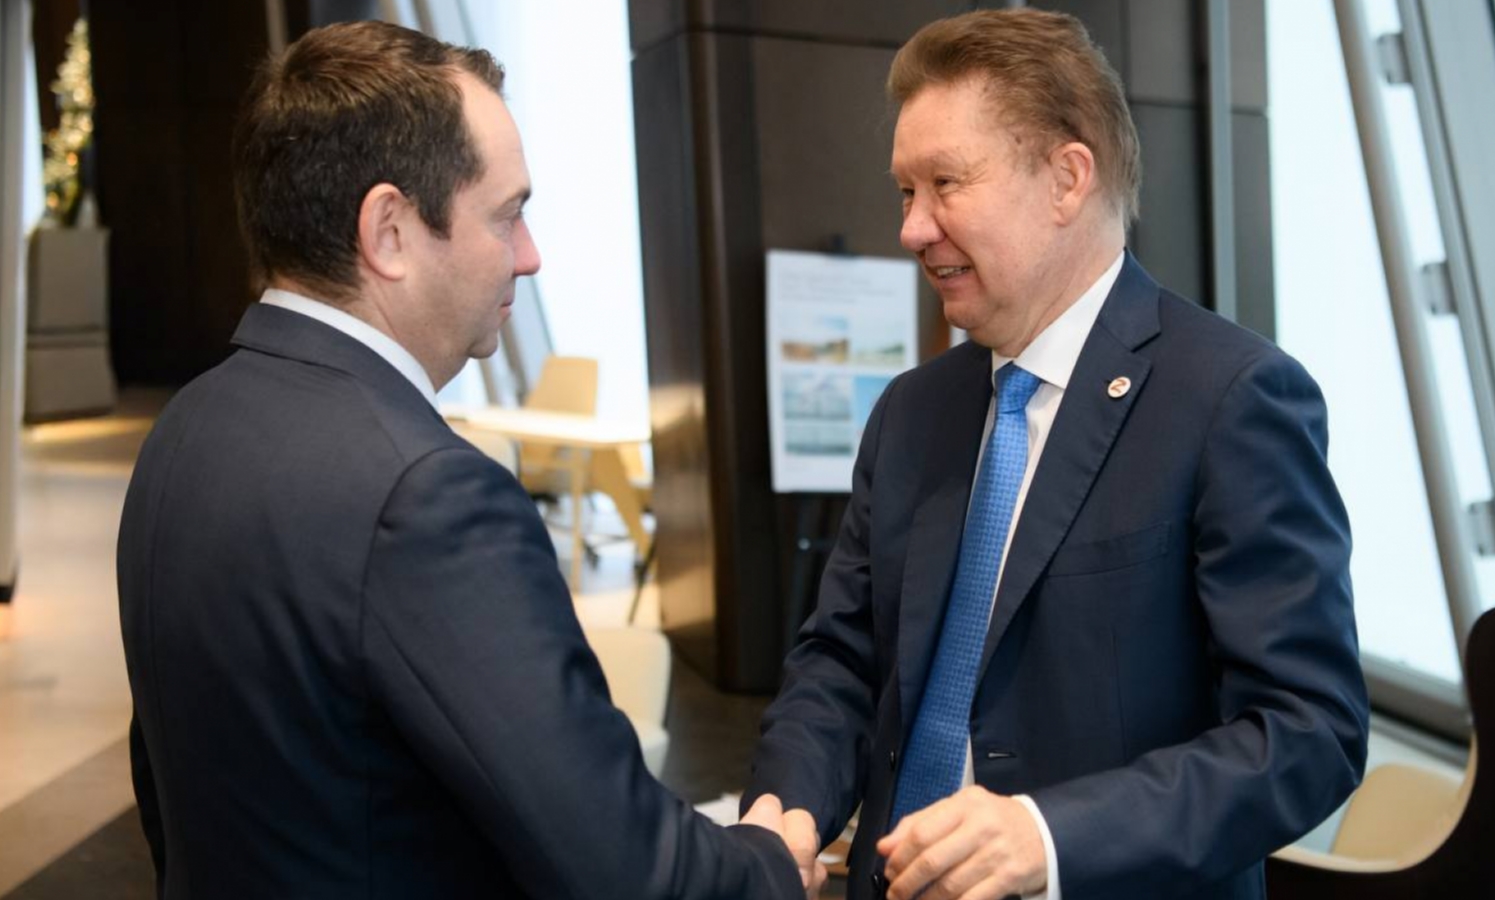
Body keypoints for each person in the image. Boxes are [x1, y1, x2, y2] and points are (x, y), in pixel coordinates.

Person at [117, 20, 812, 900]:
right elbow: (620, 868)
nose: (530, 255)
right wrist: (766, 863)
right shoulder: (426, 497)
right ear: (389, 231)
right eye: (507, 214)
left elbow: (170, 792)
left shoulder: (184, 428)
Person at [743, 9, 1369, 900]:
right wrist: (787, 807)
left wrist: (1050, 836)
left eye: (945, 183)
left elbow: (1307, 732)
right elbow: (843, 658)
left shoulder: (1231, 399)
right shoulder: (911, 413)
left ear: (1067, 179)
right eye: (905, 192)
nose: (912, 228)